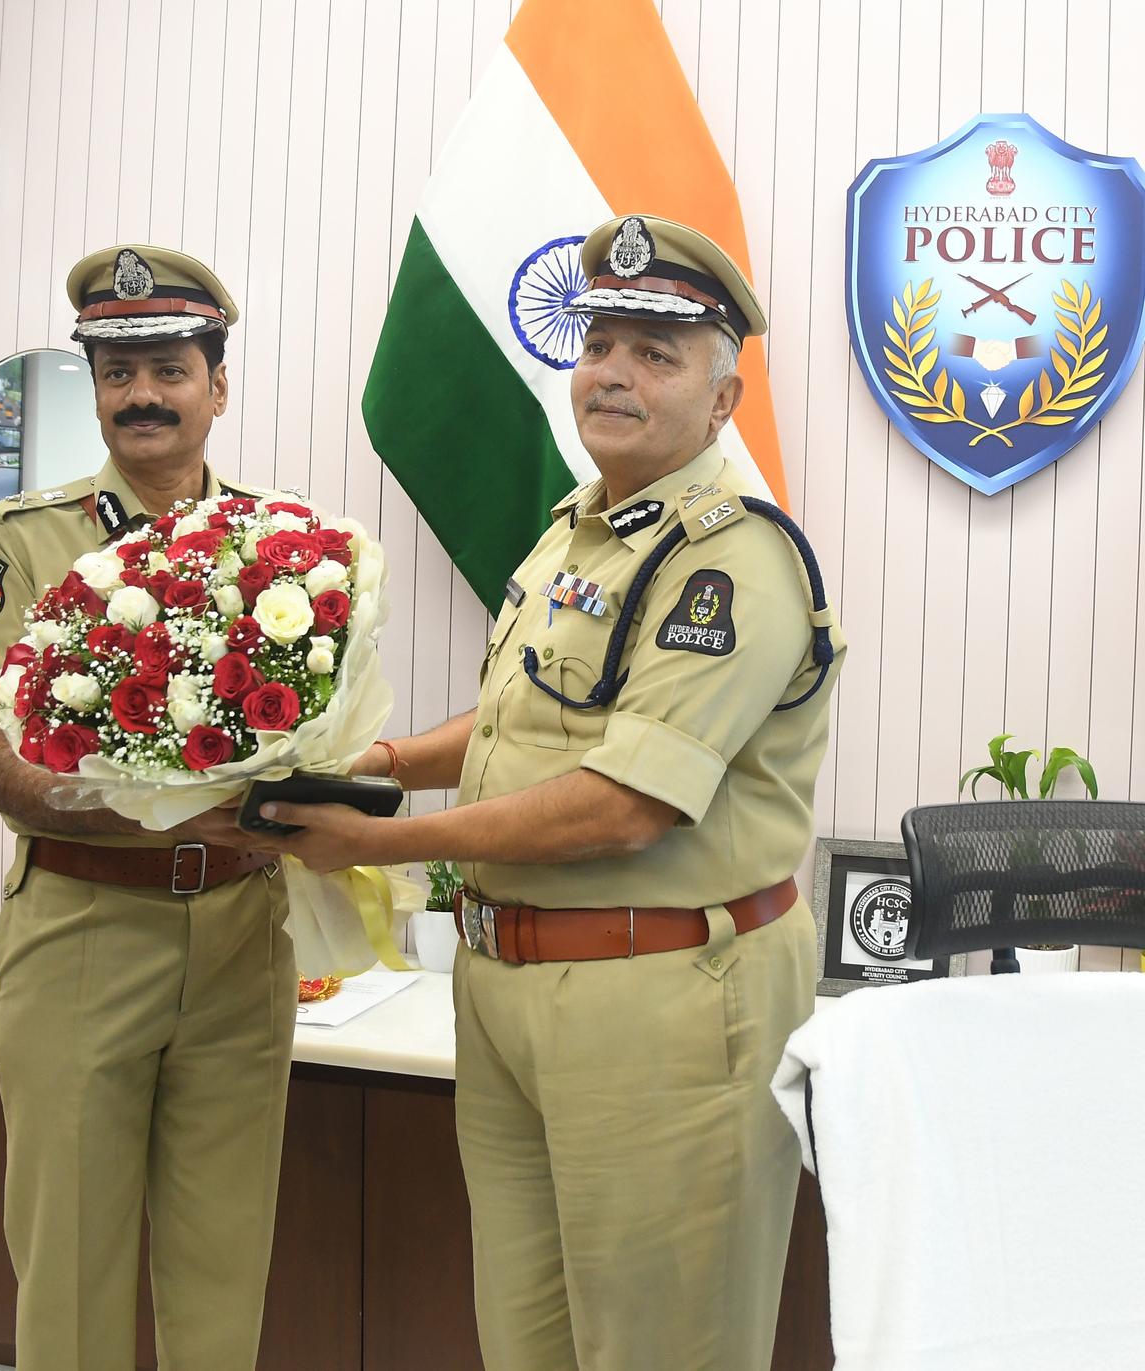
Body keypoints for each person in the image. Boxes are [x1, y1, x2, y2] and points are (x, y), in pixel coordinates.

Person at [257, 214, 847, 1371]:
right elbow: (537, 718)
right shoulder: (580, 533)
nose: (613, 372)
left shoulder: (730, 558)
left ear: (723, 402)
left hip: (660, 998)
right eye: (600, 344)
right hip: (514, 991)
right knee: (524, 1341)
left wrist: (371, 846)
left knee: (658, 1347)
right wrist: (383, 766)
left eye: (656, 352)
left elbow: (624, 802)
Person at [0, 245, 296, 1371]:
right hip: (85, 930)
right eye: (117, 372)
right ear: (95, 385)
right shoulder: (22, 542)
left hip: (244, 939)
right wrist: (170, 819)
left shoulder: (286, 551)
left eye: (167, 368)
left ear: (217, 385)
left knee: (222, 1265)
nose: (141, 395)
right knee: (74, 1273)